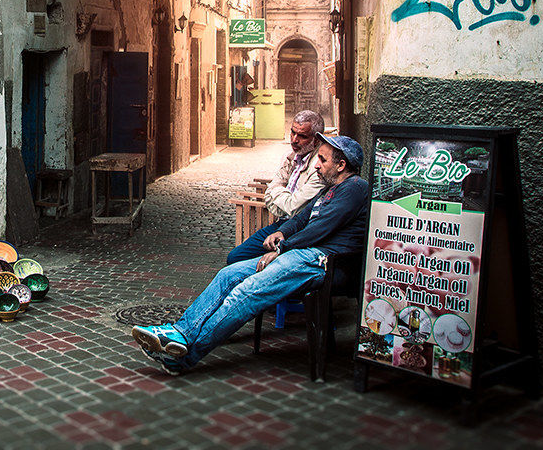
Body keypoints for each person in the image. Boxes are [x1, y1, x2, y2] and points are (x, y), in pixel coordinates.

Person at [132, 133, 369, 375]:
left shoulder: (355, 188)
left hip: (321, 261)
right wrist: (283, 233)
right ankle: (182, 332)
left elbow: (321, 228)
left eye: (323, 160)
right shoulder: (329, 190)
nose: (316, 164)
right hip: (301, 253)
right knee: (229, 274)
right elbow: (301, 219)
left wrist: (282, 249)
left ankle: (183, 357)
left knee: (247, 292)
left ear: (341, 166)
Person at [225, 111, 325, 266]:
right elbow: (271, 200)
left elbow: (294, 207)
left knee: (247, 261)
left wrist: (277, 190)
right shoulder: (291, 156)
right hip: (282, 223)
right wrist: (281, 194)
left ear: (317, 140)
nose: (294, 139)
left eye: (302, 136)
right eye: (292, 132)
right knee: (236, 256)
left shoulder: (320, 166)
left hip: (300, 229)